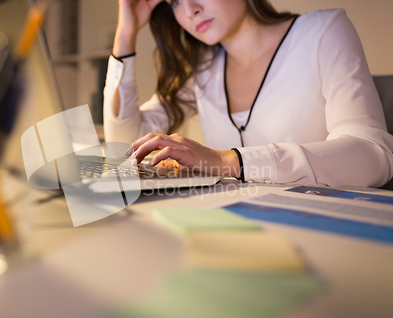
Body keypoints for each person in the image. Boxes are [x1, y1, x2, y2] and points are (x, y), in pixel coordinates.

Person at [103, 0, 393, 187]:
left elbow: (373, 156)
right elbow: (124, 146)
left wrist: (228, 161)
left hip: (324, 233)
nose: (190, 9)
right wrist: (126, 33)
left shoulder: (322, 31)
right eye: (175, 1)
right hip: (235, 231)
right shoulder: (202, 70)